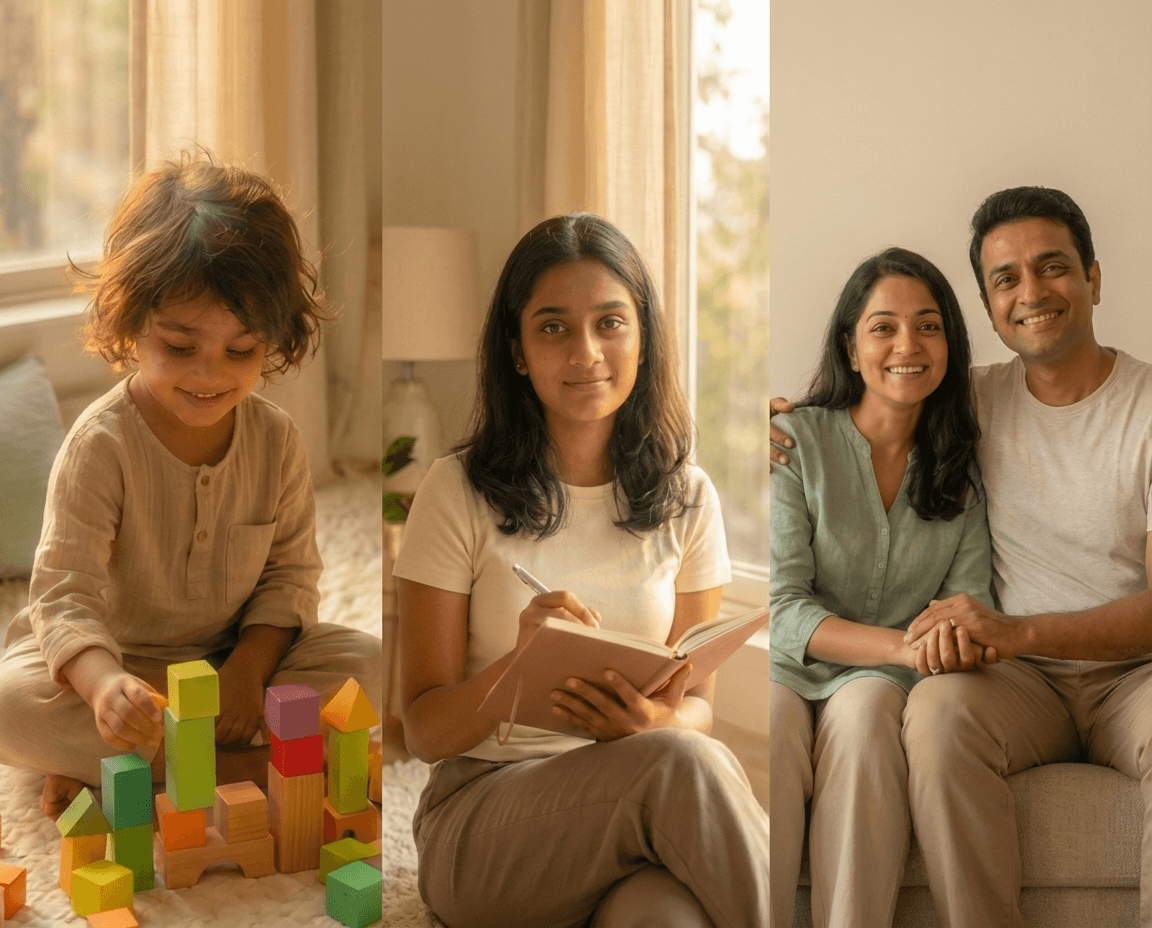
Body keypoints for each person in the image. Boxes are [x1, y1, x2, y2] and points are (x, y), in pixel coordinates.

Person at [772, 187, 1152, 927]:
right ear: (987, 306)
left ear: (1094, 279)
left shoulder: (1145, 409)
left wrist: (1021, 633)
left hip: (1132, 674)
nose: (1032, 294)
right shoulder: (967, 403)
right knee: (939, 714)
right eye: (1006, 279)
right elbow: (882, 392)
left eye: (1053, 269)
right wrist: (773, 423)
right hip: (1017, 684)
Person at [392, 213, 769, 928]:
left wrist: (656, 720)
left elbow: (698, 707)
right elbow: (424, 732)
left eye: (611, 323)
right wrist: (517, 668)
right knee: (681, 765)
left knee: (669, 919)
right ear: (518, 351)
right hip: (481, 820)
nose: (587, 351)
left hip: (623, 811)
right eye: (554, 327)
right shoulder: (456, 490)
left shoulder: (689, 498)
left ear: (643, 337)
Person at [0, 151, 382, 819]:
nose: (211, 374)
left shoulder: (277, 441)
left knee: (373, 663)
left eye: (242, 351)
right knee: (9, 704)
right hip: (119, 667)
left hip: (232, 663)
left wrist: (247, 671)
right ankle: (245, 766)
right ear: (129, 328)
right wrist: (105, 686)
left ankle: (128, 775)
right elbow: (63, 599)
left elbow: (290, 581)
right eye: (180, 347)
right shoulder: (101, 446)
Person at [770, 247, 994, 928]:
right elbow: (783, 610)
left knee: (867, 716)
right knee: (773, 723)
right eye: (883, 327)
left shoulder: (962, 472)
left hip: (884, 680)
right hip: (789, 666)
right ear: (850, 344)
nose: (907, 345)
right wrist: (904, 646)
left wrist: (922, 651)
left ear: (950, 344)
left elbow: (965, 608)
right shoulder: (792, 443)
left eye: (928, 326)